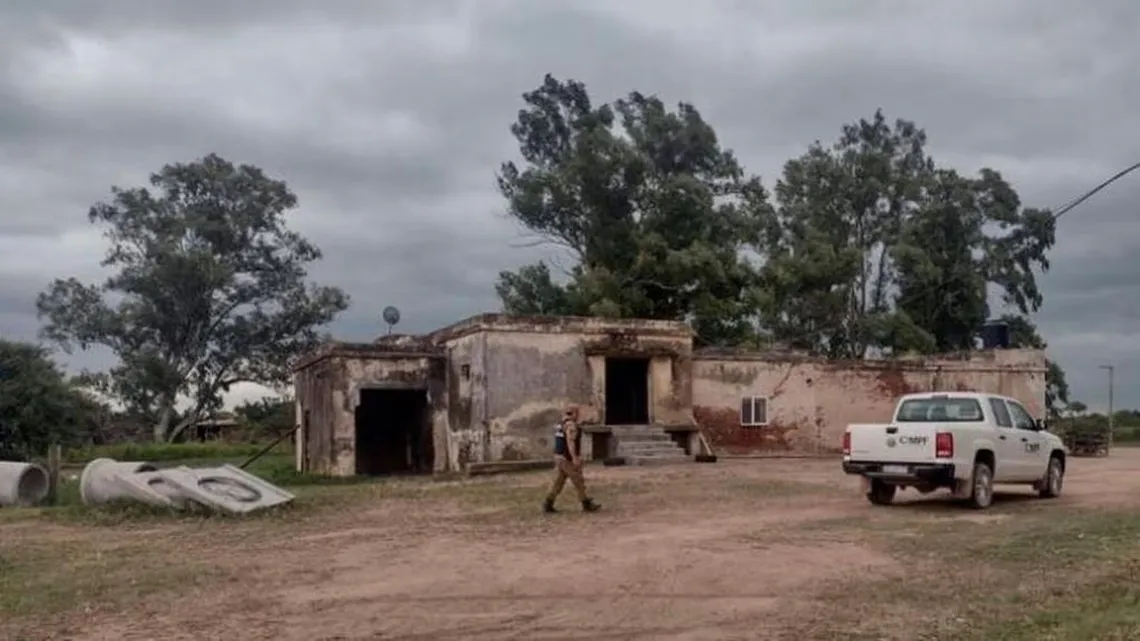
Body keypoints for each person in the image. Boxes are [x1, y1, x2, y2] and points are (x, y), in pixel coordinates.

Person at [543, 406, 601, 513]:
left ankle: (548, 503)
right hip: (566, 458)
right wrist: (575, 458)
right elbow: (570, 442)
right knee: (578, 480)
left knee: (558, 481)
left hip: (559, 456)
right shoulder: (570, 425)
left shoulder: (560, 424)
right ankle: (586, 503)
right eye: (577, 413)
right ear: (574, 413)